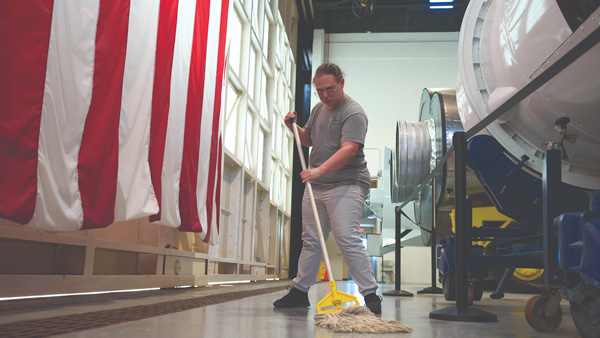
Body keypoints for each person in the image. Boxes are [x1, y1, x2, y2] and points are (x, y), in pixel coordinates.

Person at [273, 63, 381, 314]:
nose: (324, 96)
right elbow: (309, 139)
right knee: (311, 239)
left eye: (329, 89)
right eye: (319, 91)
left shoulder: (353, 113)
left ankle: (371, 295)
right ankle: (300, 292)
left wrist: (319, 170)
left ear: (342, 83)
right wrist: (293, 128)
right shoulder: (319, 109)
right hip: (317, 184)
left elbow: (349, 149)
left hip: (348, 182)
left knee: (346, 237)